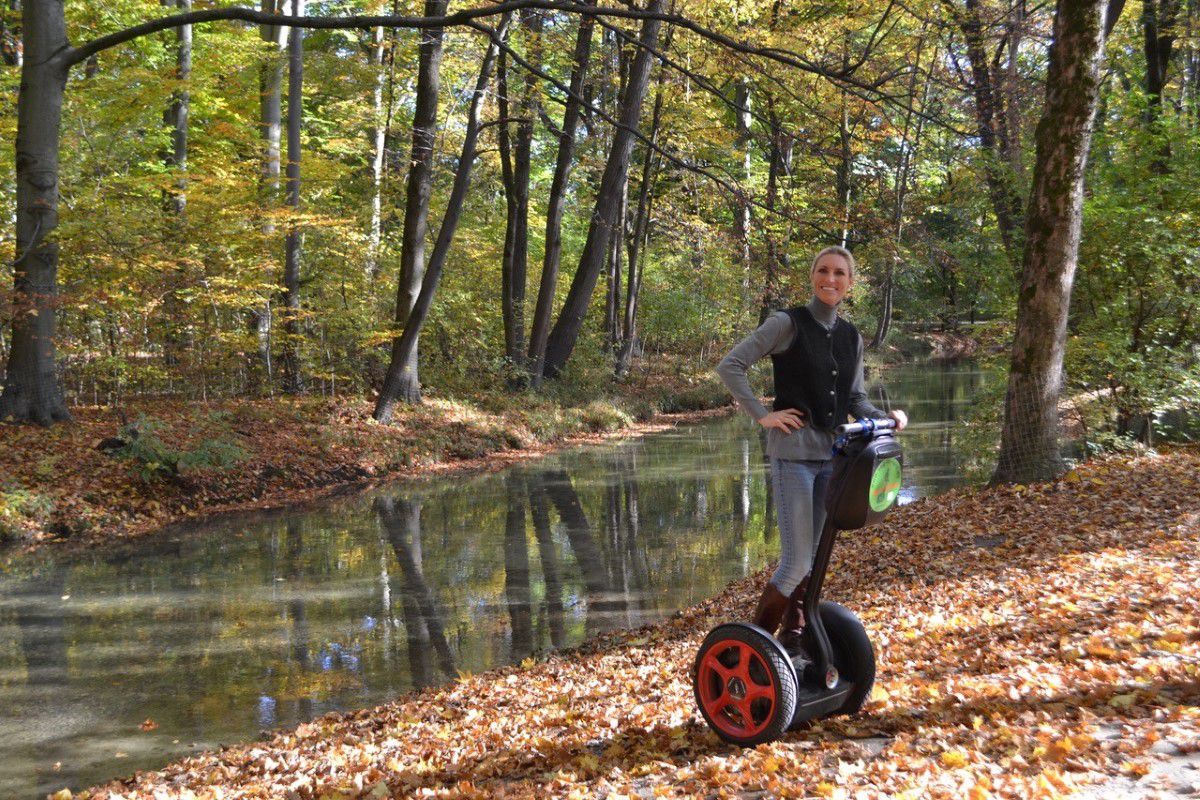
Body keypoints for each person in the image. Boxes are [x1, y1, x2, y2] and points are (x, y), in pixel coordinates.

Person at [716, 246, 907, 651]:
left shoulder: (850, 336)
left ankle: (796, 638)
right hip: (794, 458)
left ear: (850, 283)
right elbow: (731, 365)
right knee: (795, 564)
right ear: (812, 276)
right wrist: (762, 414)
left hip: (833, 459)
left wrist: (888, 416)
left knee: (816, 560)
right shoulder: (787, 323)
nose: (830, 279)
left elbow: (856, 399)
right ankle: (754, 652)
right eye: (823, 271)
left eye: (840, 273)